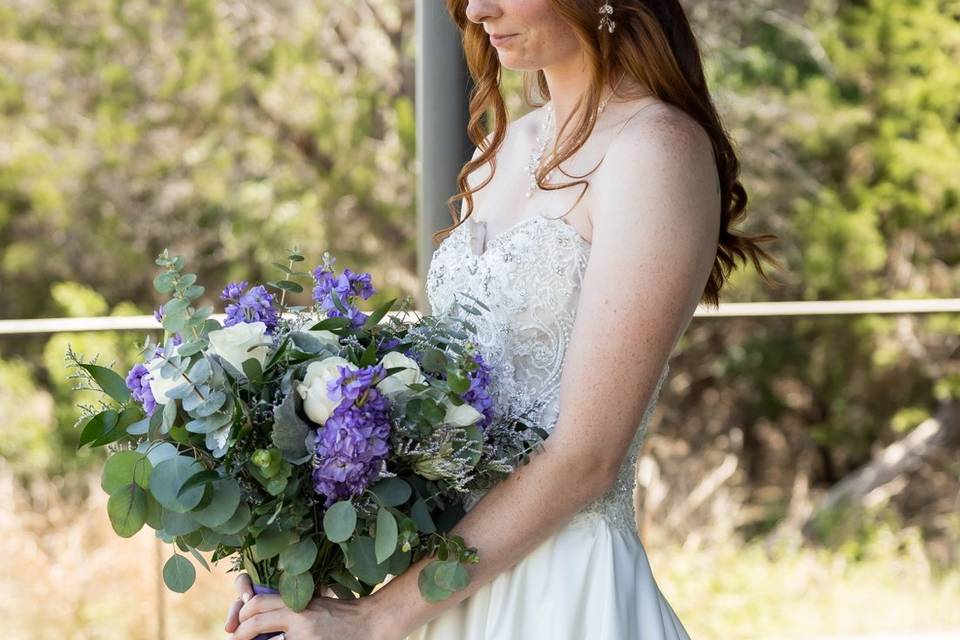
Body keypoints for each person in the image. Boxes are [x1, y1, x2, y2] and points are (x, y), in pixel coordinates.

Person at [224, 1, 778, 638]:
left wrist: (378, 619)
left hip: (562, 594)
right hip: (444, 585)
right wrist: (309, 547)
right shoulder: (503, 144)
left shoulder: (656, 148)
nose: (477, 9)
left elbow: (587, 457)